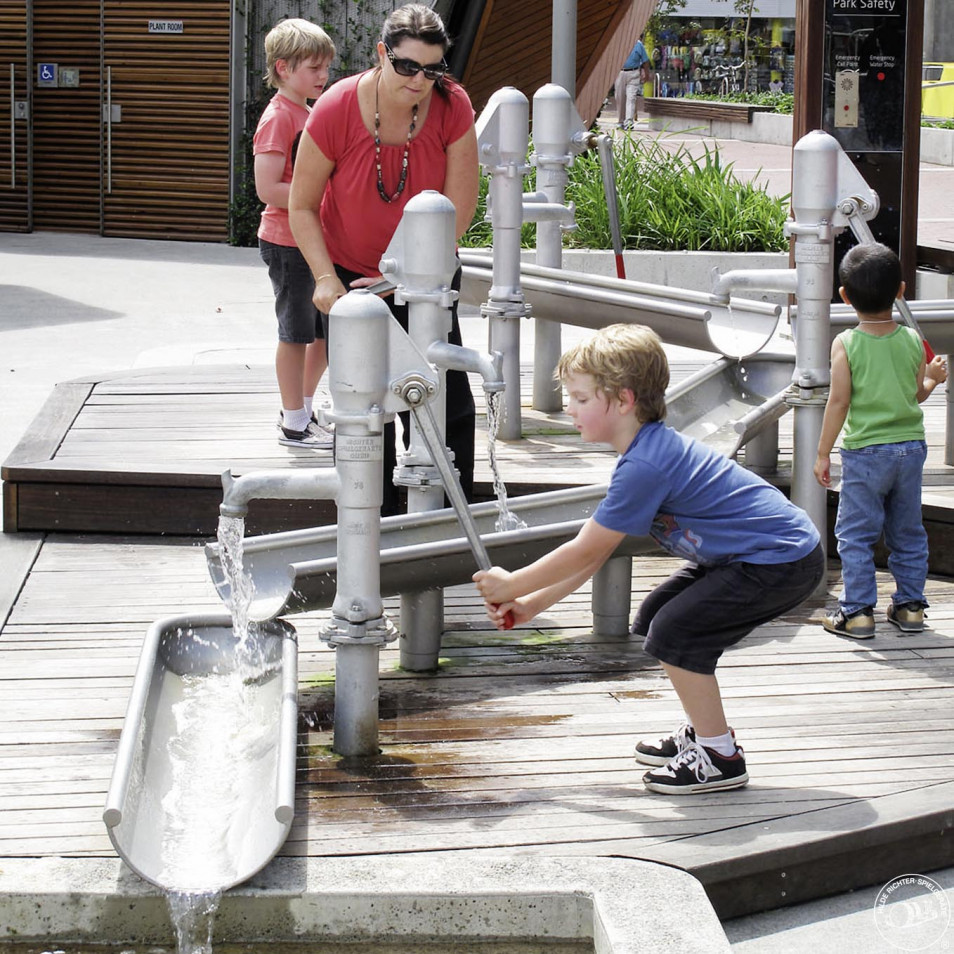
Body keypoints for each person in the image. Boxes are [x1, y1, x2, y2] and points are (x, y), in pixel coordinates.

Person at [473, 324, 824, 795]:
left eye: (579, 399)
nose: (569, 409)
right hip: (754, 555)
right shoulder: (645, 452)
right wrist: (533, 605)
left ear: (621, 400)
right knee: (659, 616)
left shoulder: (645, 465)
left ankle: (720, 756)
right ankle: (705, 732)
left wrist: (512, 584)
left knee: (676, 632)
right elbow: (598, 552)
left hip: (779, 560)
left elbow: (585, 548)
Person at [289, 3, 479, 514]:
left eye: (432, 69)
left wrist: (413, 271)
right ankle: (371, 524)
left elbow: (459, 206)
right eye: (407, 67)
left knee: (447, 401)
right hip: (353, 280)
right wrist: (325, 278)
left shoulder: (451, 104)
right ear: (381, 54)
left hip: (426, 273)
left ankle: (446, 518)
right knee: (363, 402)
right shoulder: (335, 107)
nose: (420, 81)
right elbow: (301, 205)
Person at [814, 243, 948, 639]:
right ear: (901, 291)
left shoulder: (846, 344)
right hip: (910, 450)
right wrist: (933, 379)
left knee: (856, 533)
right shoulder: (910, 340)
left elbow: (839, 402)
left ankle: (856, 612)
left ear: (844, 295)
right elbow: (916, 394)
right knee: (907, 529)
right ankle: (910, 607)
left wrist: (822, 453)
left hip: (865, 453)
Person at [254, 18, 337, 449]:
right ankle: (293, 422)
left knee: (323, 334)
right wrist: (324, 197)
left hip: (310, 239)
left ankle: (302, 409)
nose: (323, 77)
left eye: (325, 68)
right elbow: (267, 188)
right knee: (295, 334)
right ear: (283, 68)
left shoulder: (306, 110)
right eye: (314, 68)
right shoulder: (278, 117)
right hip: (286, 241)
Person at [614, 33, 650, 130]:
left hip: (634, 73)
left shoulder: (638, 45)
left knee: (631, 97)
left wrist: (646, 73)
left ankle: (629, 122)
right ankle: (620, 121)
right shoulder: (618, 44)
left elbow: (645, 60)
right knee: (620, 97)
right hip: (620, 72)